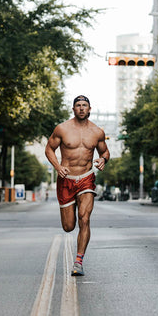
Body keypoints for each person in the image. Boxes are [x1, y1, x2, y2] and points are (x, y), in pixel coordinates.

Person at [45, 95, 110, 276]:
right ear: (73, 109)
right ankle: (70, 216)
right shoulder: (62, 129)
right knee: (68, 226)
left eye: (85, 105)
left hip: (86, 178)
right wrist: (58, 167)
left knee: (85, 218)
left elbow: (105, 151)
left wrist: (103, 159)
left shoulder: (97, 132)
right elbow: (49, 148)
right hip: (66, 179)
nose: (81, 108)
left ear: (90, 109)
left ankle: (78, 261)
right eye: (78, 105)